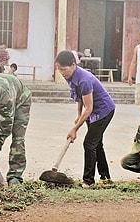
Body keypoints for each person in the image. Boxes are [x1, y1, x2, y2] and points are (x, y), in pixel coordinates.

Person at [55, 50, 115, 188]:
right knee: (96, 144)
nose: (62, 73)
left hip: (103, 111)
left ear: (73, 65)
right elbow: (79, 97)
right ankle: (105, 177)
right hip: (92, 112)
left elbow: (89, 108)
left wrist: (75, 129)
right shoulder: (70, 76)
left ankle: (88, 181)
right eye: (59, 69)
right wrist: (78, 115)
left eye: (64, 69)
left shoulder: (84, 79)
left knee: (89, 144)